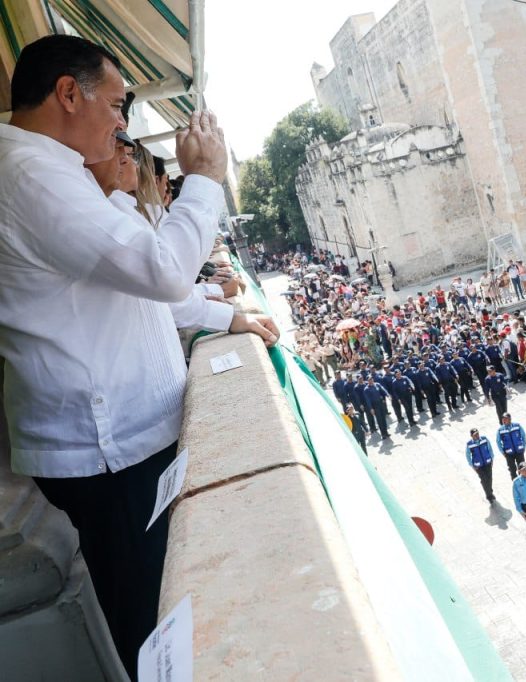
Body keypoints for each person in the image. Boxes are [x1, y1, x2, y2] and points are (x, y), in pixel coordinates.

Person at [0, 34, 236, 673]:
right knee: (156, 620)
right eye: (115, 105)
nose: (122, 125)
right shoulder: (30, 175)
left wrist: (223, 312)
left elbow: (143, 291)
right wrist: (205, 180)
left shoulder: (49, 169)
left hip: (120, 446)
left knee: (165, 603)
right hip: (107, 452)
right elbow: (163, 272)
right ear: (68, 94)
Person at [465, 428, 496, 503]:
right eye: (475, 435)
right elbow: (468, 455)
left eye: (477, 434)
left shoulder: (484, 439)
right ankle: (489, 496)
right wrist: (472, 465)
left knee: (489, 478)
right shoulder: (469, 444)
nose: (477, 435)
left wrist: (492, 458)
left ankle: (489, 491)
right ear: (471, 436)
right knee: (484, 479)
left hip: (488, 462)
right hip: (478, 466)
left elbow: (490, 448)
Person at [495, 413, 526, 480]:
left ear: (510, 419)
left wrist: (524, 446)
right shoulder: (500, 430)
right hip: (509, 453)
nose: (504, 420)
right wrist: (503, 452)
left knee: (522, 467)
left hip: (519, 451)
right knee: (512, 469)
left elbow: (523, 436)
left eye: (505, 419)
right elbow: (498, 442)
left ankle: (524, 481)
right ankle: (515, 482)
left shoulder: (517, 426)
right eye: (503, 419)